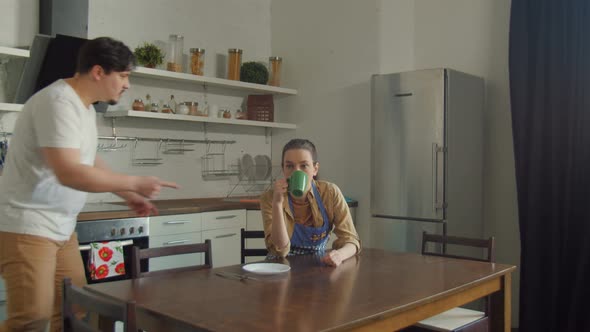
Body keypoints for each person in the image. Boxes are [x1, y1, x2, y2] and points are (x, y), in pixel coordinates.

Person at [0, 36, 178, 332]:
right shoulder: (57, 102)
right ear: (98, 72)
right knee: (31, 319)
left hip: (61, 227)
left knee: (75, 308)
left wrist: (128, 194)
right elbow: (70, 172)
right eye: (123, 75)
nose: (127, 84)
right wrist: (135, 180)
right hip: (27, 226)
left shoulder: (85, 109)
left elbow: (89, 160)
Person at [260, 138, 361, 267]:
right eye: (290, 166)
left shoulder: (329, 193)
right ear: (283, 169)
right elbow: (280, 250)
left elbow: (352, 240)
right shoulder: (270, 198)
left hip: (316, 269)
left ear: (315, 169)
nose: (296, 171)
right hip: (280, 269)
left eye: (304, 165)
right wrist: (277, 205)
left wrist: (339, 255)